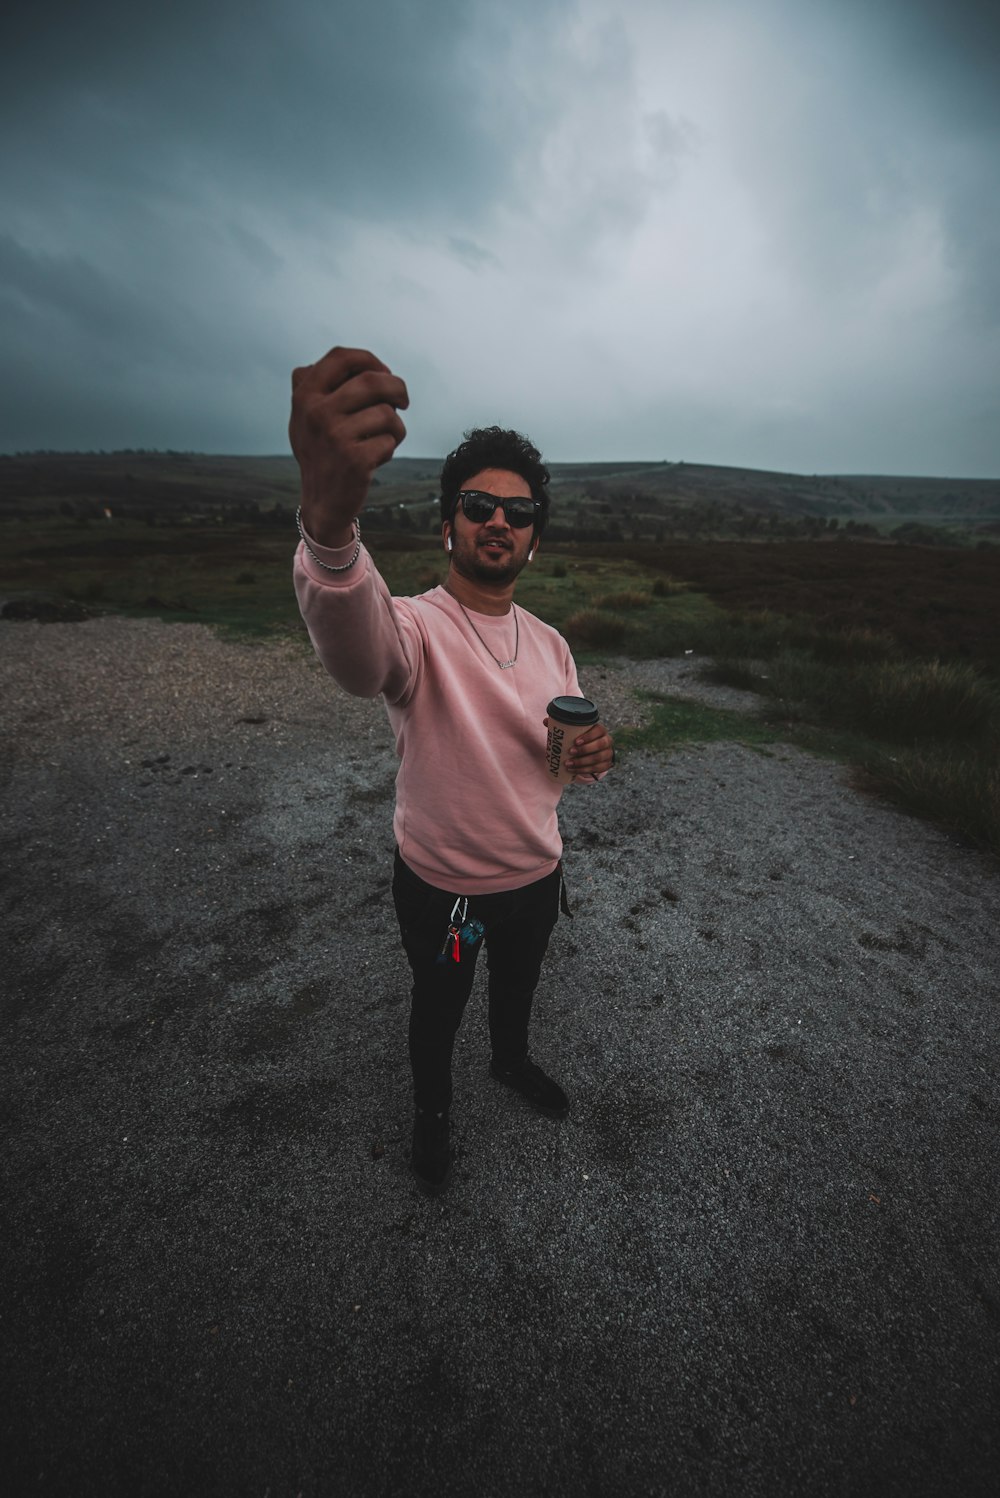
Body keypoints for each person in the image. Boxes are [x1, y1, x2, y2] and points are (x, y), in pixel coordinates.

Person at [290, 346, 614, 1194]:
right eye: (477, 505)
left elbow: (555, 758)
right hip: (452, 893)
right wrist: (329, 533)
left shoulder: (551, 644)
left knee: (518, 987)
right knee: (440, 1005)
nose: (497, 521)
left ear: (534, 541)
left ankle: (511, 1064)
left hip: (535, 879)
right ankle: (431, 1116)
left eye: (518, 511)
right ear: (448, 526)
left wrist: (585, 756)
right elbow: (361, 662)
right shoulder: (415, 628)